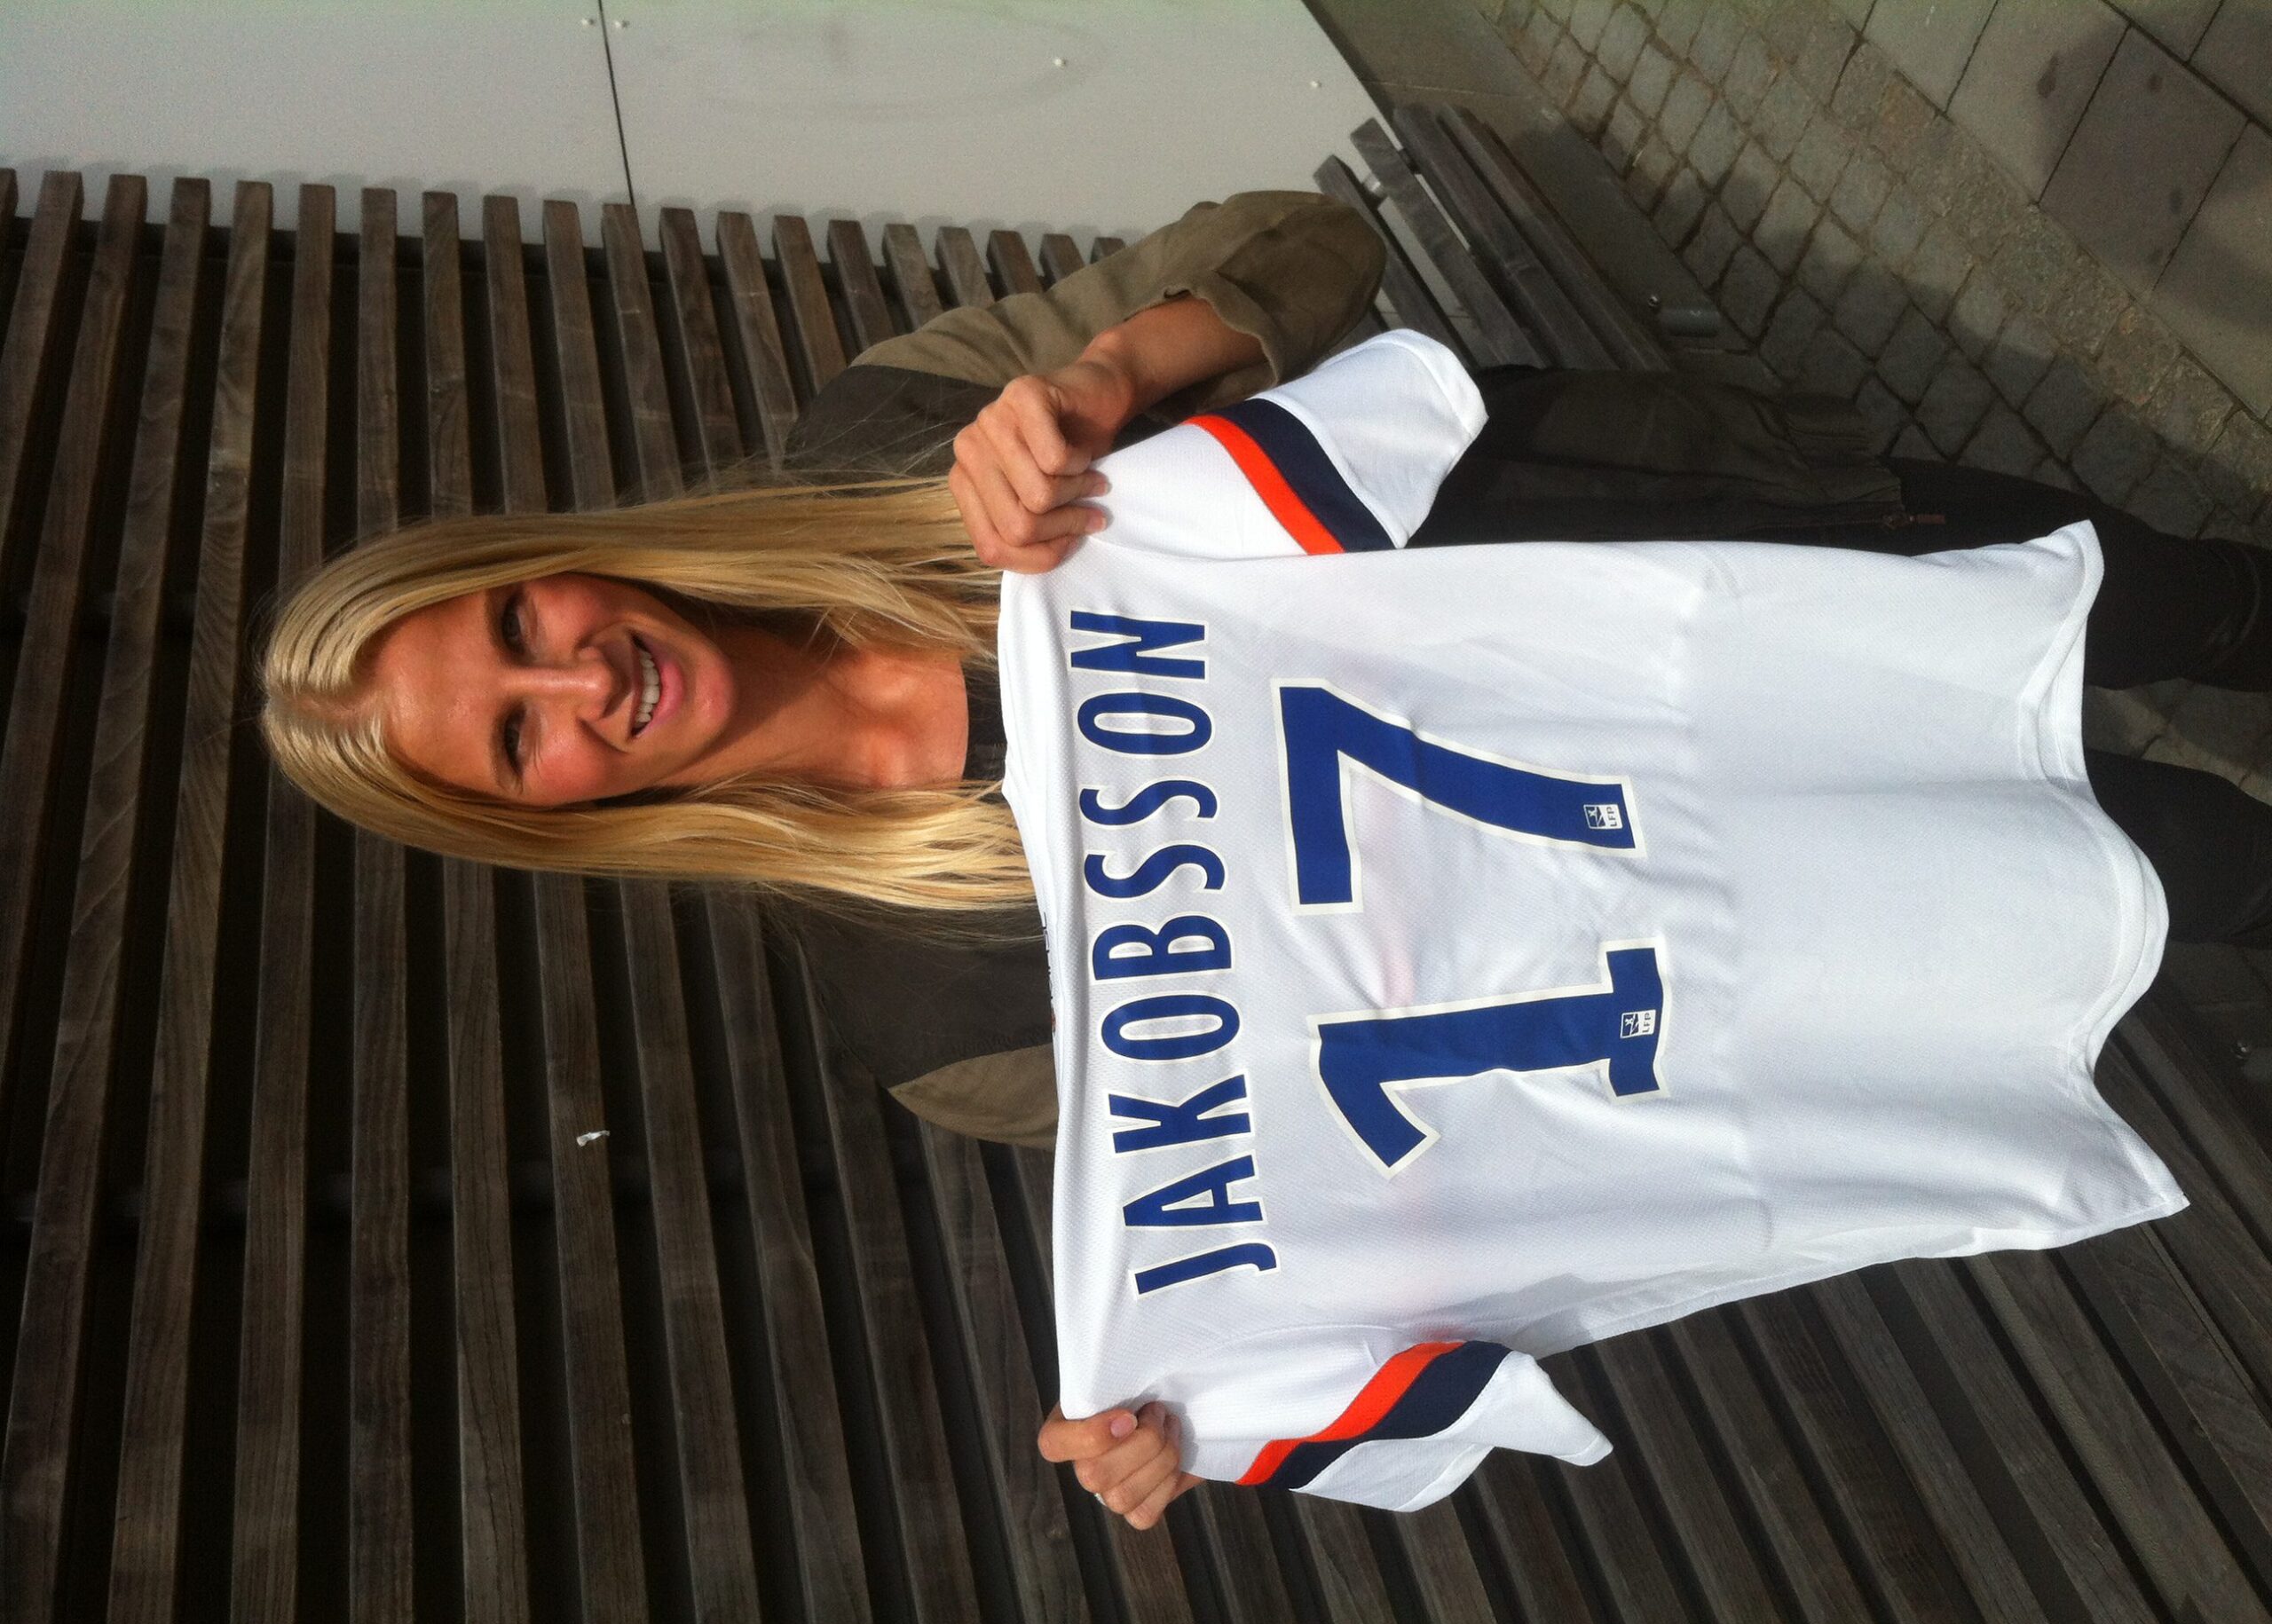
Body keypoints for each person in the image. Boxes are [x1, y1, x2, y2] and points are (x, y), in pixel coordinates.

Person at [263, 191, 2272, 1529]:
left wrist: (1106, 381)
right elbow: (1347, 1207)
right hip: (1729, 901)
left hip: (1704, 562)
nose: (579, 680)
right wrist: (1190, 1415)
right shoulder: (923, 1015)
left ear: (547, 560)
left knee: (2168, 602)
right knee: (2186, 865)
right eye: (515, 734)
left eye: (517, 622)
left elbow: (1305, 243)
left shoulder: (894, 440)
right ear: (540, 817)